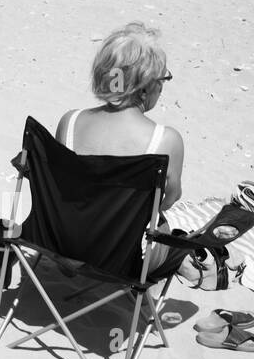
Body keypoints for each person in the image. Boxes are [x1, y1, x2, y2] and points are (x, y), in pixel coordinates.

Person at [54, 22, 189, 272]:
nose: (162, 87)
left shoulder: (69, 122)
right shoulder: (166, 140)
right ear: (147, 86)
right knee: (167, 231)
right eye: (163, 79)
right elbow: (169, 200)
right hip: (123, 260)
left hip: (62, 245)